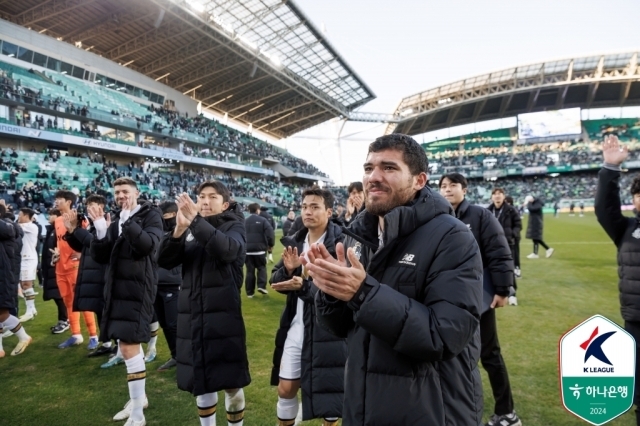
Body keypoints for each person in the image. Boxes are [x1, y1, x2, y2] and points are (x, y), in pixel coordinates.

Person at [309, 134, 484, 425]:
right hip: (364, 403)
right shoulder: (358, 235)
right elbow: (341, 328)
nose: (373, 177)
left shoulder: (452, 237)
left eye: (388, 168)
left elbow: (444, 335)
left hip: (429, 409)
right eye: (368, 168)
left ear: (419, 180)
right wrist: (331, 291)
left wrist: (362, 293)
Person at [157, 182, 250, 426]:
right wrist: (178, 229)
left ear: (225, 204)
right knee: (201, 382)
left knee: (231, 384)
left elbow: (227, 250)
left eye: (212, 197)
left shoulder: (235, 225)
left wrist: (196, 221)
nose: (205, 201)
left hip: (223, 319)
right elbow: (163, 260)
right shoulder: (189, 228)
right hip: (192, 317)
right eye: (201, 197)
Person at [439, 174, 522, 426]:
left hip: (478, 301)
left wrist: (503, 289)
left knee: (489, 354)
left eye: (452, 185)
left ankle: (507, 412)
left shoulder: (480, 216)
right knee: (449, 357)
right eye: (443, 186)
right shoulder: (435, 217)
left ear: (464, 189)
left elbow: (499, 252)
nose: (447, 190)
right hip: (445, 301)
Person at [89, 178, 163, 426]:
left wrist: (129, 220)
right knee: (126, 345)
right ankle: (139, 400)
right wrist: (100, 228)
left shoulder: (150, 214)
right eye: (117, 192)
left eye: (125, 191)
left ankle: (138, 415)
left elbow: (148, 246)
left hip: (138, 287)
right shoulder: (116, 217)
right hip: (117, 287)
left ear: (136, 193)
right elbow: (101, 256)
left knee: (129, 346)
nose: (121, 195)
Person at [270, 186, 346, 426]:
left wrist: (302, 285)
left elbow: (339, 292)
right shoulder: (295, 241)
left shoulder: (341, 243)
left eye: (315, 206)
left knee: (330, 396)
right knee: (285, 389)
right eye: (304, 207)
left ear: (329, 211)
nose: (308, 212)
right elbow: (275, 280)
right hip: (296, 324)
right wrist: (289, 269)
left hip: (330, 329)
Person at [595, 135, 640, 426]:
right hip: (636, 320)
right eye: (638, 193)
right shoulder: (627, 229)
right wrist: (610, 169)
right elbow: (605, 209)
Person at [62, 195, 109, 354]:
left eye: (93, 205)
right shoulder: (91, 225)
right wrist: (71, 232)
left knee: (106, 309)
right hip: (90, 271)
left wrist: (77, 229)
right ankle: (106, 343)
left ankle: (112, 344)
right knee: (98, 308)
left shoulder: (108, 221)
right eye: (87, 205)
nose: (89, 208)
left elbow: (96, 243)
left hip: (102, 272)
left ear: (102, 206)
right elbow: (82, 246)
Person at [53, 190, 98, 349]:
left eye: (59, 199)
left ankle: (93, 336)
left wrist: (81, 254)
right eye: (56, 199)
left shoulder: (79, 218)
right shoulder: (58, 220)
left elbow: (87, 240)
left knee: (82, 300)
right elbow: (60, 243)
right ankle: (76, 334)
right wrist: (57, 253)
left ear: (69, 202)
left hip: (75, 267)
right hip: (61, 267)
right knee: (68, 302)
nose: (56, 202)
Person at [0, 203, 31, 357]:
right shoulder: (9, 229)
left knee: (3, 313)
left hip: (5, 275)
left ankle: (23, 336)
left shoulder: (8, 229)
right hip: (7, 274)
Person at [154, 201, 182, 372]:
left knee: (174, 324)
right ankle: (176, 356)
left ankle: (185, 357)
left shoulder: (182, 230)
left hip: (174, 284)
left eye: (165, 216)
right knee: (165, 323)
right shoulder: (158, 231)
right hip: (156, 283)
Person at [488, 188, 522, 284]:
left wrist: (512, 234)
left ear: (503, 196)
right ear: (492, 197)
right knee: (492, 268)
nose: (497, 196)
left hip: (508, 243)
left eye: (500, 194)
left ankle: (512, 293)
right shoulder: (487, 211)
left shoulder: (511, 210)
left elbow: (518, 225)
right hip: (492, 245)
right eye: (495, 194)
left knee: (508, 268)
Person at [42, 209, 69, 334]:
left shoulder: (58, 230)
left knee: (59, 296)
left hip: (57, 267)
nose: (49, 217)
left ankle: (65, 320)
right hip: (51, 266)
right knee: (57, 296)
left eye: (51, 215)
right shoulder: (51, 230)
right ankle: (63, 319)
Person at [244, 203, 275, 298]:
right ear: (258, 210)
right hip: (260, 250)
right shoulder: (263, 221)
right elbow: (270, 234)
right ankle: (261, 286)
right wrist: (270, 245)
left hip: (247, 251)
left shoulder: (244, 221)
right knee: (261, 268)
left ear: (249, 211)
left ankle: (250, 292)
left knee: (249, 271)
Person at [17, 208, 39, 322]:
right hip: (23, 258)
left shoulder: (31, 226)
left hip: (28, 258)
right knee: (23, 284)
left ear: (26, 216)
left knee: (26, 284)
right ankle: (32, 309)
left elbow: (14, 226)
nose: (18, 217)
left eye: (20, 215)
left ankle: (29, 311)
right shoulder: (23, 226)